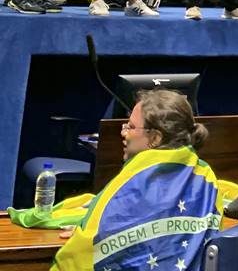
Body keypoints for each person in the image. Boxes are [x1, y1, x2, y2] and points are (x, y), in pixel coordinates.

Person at [52, 90, 218, 271]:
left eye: (130, 127)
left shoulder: (131, 185)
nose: (123, 132)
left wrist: (91, 235)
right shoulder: (206, 175)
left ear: (155, 138)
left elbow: (81, 254)